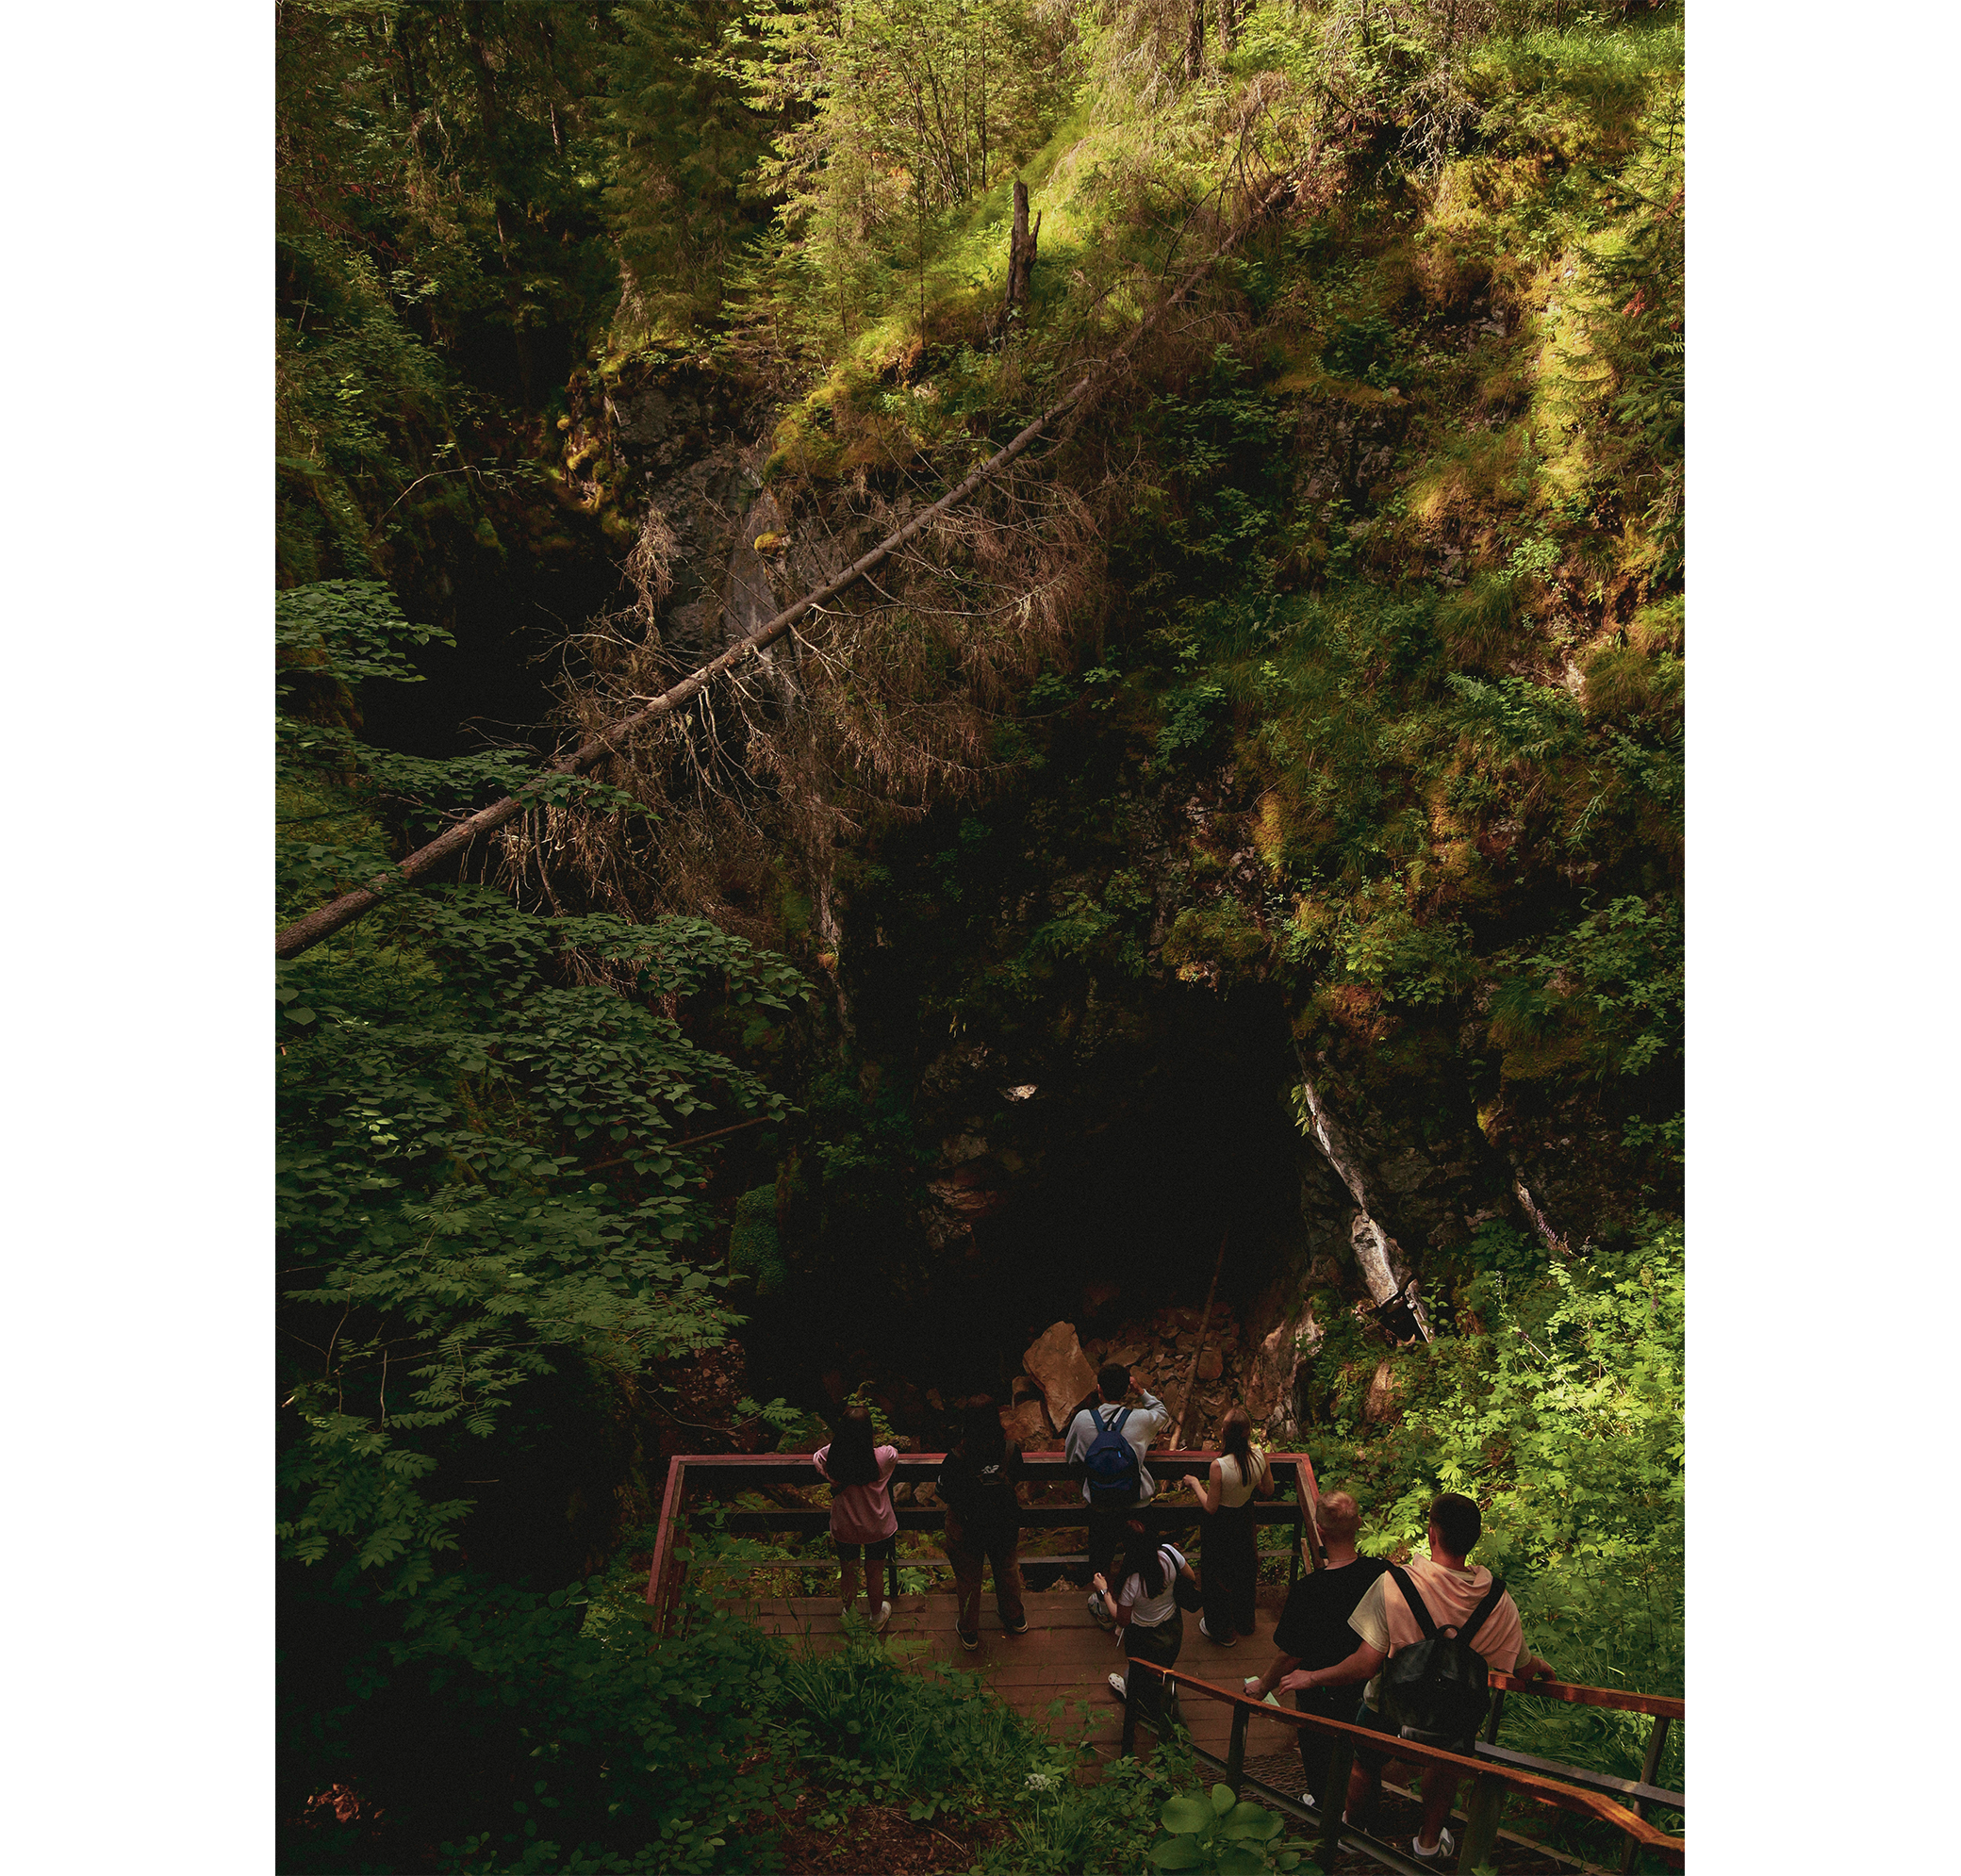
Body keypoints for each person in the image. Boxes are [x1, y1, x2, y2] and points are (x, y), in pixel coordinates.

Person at [1277, 1492, 1556, 1864]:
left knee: (1364, 1761)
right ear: (1474, 1538)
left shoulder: (1395, 1585)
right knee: (1444, 1764)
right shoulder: (1497, 1600)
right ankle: (1427, 1841)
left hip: (1389, 1706)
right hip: (1454, 1713)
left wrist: (1312, 1677)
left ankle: (1354, 1829)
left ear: (1432, 1535)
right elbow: (1521, 1667)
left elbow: (1364, 1665)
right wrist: (1539, 1667)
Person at [1242, 1489, 1390, 1805]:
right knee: (1363, 1752)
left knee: (1321, 1751)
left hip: (1322, 1691)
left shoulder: (1309, 1590)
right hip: (1370, 1686)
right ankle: (1362, 1809)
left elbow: (1291, 1653)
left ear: (1319, 1530)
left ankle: (1326, 1808)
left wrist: (1263, 1684)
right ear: (1359, 1524)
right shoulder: (1382, 1574)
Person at [1063, 1360, 1174, 1622]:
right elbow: (1162, 1412)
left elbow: (1071, 1458)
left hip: (1101, 1507)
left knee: (1101, 1560)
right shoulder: (1141, 1419)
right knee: (1144, 1556)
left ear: (1098, 1389)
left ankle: (1104, 1607)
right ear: (1127, 1389)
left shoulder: (1082, 1420)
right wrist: (1140, 1392)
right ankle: (1146, 1607)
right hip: (1137, 1505)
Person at [937, 1396, 1030, 1650]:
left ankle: (969, 1631)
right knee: (1007, 1568)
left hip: (967, 1528)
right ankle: (1015, 1617)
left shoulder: (957, 1457)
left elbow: (944, 1491)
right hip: (1003, 1524)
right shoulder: (1011, 1450)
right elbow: (1018, 1479)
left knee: (968, 1578)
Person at [1091, 1519, 1200, 1726]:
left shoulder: (1132, 1582)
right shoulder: (1169, 1554)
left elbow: (1122, 1619)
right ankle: (1144, 1687)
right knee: (1163, 1665)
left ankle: (1167, 1720)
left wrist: (1104, 1591)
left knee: (1148, 1675)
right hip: (1173, 1626)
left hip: (1144, 1637)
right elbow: (1190, 1576)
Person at [1181, 1407, 1273, 1645]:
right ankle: (1245, 1622)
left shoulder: (1219, 1466)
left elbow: (1211, 1507)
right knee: (1244, 1570)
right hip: (1244, 1517)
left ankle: (1221, 1629)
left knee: (1217, 1575)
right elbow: (1268, 1489)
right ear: (1248, 1432)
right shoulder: (1260, 1456)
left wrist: (1194, 1484)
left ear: (1224, 1433)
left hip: (1221, 1524)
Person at [814, 1404, 899, 1634]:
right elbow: (894, 1451)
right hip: (876, 1525)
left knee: (848, 1569)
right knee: (875, 1570)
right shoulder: (881, 1458)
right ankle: (875, 1616)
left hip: (845, 1526)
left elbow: (817, 1458)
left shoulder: (832, 1457)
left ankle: (849, 1613)